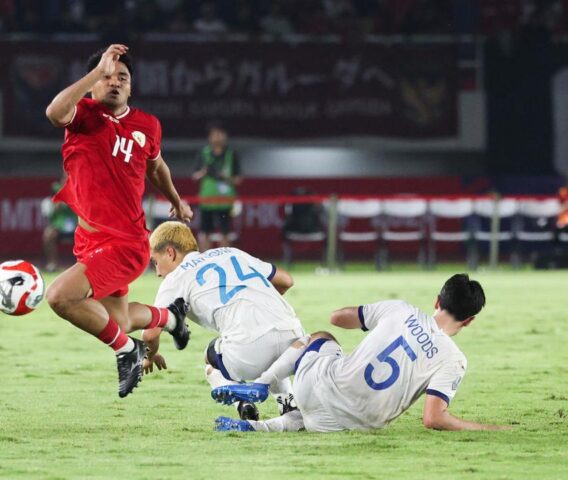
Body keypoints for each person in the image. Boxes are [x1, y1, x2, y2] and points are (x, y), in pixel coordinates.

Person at [44, 44, 193, 398]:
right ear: (94, 83)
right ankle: (171, 318)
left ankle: (127, 350)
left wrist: (176, 200)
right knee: (120, 320)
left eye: (121, 78)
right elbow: (53, 112)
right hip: (90, 240)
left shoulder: (147, 125)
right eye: (107, 76)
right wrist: (97, 71)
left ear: (131, 87)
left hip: (125, 243)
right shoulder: (81, 115)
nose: (114, 82)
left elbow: (156, 167)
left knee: (59, 297)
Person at [211, 274, 509, 432]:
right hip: (353, 426)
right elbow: (434, 418)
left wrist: (372, 321)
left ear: (437, 300)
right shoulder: (454, 360)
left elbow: (336, 318)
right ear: (469, 320)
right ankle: (262, 428)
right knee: (321, 417)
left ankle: (262, 385)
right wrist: (487, 428)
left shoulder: (401, 310)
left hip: (314, 386)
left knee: (321, 337)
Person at [141, 221, 304, 420]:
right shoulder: (231, 252)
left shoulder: (175, 278)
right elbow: (286, 281)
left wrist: (150, 355)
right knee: (271, 342)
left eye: (155, 262)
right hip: (296, 340)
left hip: (250, 349)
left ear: (170, 253)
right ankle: (288, 404)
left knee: (210, 358)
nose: (157, 272)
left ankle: (242, 401)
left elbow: (149, 334)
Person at [192, 123, 242, 251]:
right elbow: (195, 176)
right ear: (210, 137)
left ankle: (224, 262)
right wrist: (204, 171)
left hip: (225, 202)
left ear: (225, 136)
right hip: (207, 201)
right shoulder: (203, 153)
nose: (218, 137)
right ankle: (205, 261)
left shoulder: (232, 154)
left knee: (225, 232)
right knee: (205, 232)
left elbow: (238, 179)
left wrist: (225, 176)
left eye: (220, 134)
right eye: (215, 134)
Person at [41, 173, 77, 272]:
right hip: (59, 228)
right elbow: (50, 215)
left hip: (76, 227)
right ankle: (52, 264)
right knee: (48, 235)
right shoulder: (51, 200)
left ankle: (83, 264)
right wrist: (61, 200)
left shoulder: (77, 192)